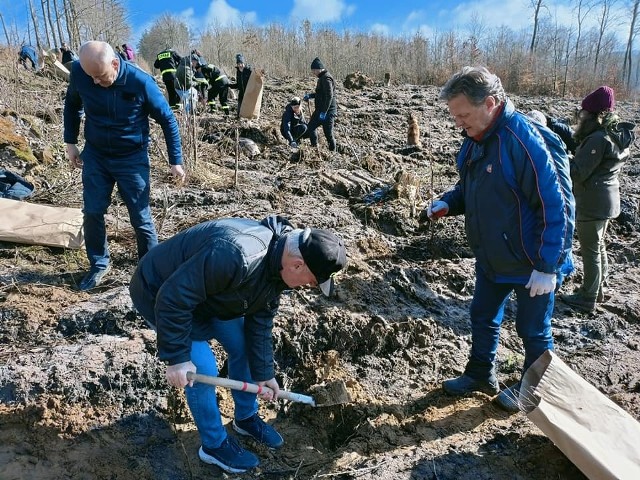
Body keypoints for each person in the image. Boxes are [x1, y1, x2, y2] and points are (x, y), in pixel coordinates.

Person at [129, 215, 347, 473]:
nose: (308, 287)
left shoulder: (278, 265)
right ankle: (213, 445)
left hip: (212, 294)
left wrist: (264, 374)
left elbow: (260, 321)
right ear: (298, 265)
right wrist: (176, 356)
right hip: (160, 292)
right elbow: (174, 297)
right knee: (203, 369)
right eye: (311, 282)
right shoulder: (237, 254)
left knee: (243, 346)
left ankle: (245, 418)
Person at [421, 66, 575, 412]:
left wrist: (547, 266)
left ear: (490, 103)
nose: (458, 123)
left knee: (533, 329)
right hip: (493, 256)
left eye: (463, 115)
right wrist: (449, 202)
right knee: (482, 314)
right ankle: (480, 373)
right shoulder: (476, 140)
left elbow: (557, 205)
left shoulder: (523, 141)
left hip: (532, 261)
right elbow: (471, 187)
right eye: (454, 116)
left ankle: (533, 388)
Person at [64, 41, 185, 291]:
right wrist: (70, 142)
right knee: (93, 211)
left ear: (115, 64)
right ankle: (98, 263)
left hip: (131, 157)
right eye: (91, 78)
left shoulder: (140, 82)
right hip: (96, 154)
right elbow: (72, 105)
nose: (96, 82)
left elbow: (168, 120)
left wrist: (176, 161)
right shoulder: (80, 72)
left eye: (101, 76)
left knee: (140, 218)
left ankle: (150, 271)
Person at [560, 86, 635, 312]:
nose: (581, 116)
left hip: (592, 201)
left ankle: (588, 297)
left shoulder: (597, 139)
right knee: (598, 246)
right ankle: (598, 290)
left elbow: (578, 172)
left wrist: (562, 158)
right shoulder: (616, 135)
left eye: (584, 113)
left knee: (591, 250)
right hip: (608, 199)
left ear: (593, 114)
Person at [303, 57, 338, 151]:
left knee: (328, 134)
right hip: (320, 110)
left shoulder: (326, 78)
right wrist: (310, 96)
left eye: (314, 70)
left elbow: (329, 96)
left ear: (319, 68)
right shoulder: (321, 78)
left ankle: (333, 152)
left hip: (328, 112)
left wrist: (324, 112)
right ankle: (314, 148)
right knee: (311, 127)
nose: (313, 73)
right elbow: (320, 94)